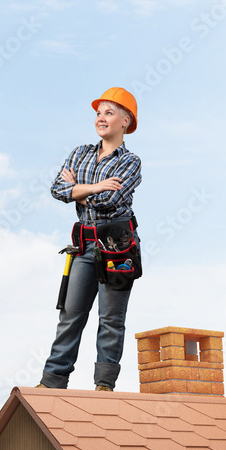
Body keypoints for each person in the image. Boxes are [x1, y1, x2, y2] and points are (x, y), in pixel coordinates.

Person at [38, 87, 142, 391]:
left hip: (118, 246)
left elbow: (110, 200)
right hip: (84, 244)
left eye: (109, 113)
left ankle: (104, 385)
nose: (101, 118)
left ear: (125, 121)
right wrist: (96, 187)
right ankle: (52, 382)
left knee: (111, 319)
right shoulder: (80, 153)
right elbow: (58, 190)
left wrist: (80, 189)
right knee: (70, 315)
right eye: (98, 113)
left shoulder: (131, 162)